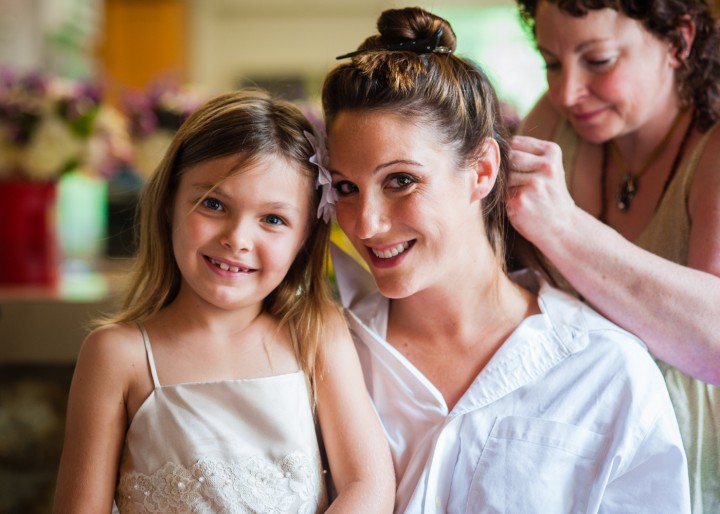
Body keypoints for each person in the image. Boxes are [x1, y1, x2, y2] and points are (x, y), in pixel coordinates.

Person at [321, 6, 690, 513]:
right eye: (346, 187)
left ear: (482, 170)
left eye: (400, 180)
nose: (364, 224)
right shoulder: (322, 354)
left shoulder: (604, 371)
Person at [52, 89, 394, 513]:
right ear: (168, 206)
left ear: (304, 237)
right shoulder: (117, 355)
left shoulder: (315, 332)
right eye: (213, 203)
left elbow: (369, 484)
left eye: (273, 219)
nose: (237, 239)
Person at [508, 1, 720, 511]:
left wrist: (565, 228)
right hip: (566, 448)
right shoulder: (556, 120)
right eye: (552, 62)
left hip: (687, 451)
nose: (567, 92)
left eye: (598, 60)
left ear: (678, 42)